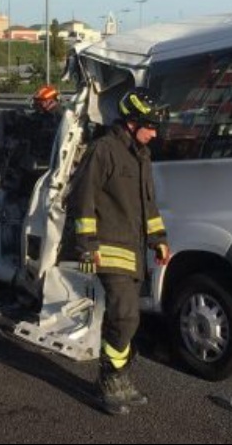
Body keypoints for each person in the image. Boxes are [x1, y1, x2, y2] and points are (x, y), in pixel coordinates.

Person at [69, 87, 170, 415]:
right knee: (125, 315)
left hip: (136, 250)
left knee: (128, 318)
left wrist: (159, 239)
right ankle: (109, 379)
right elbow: (81, 199)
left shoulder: (141, 155)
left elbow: (149, 205)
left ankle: (121, 377)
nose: (155, 133)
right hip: (109, 248)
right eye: (150, 125)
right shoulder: (104, 151)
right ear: (131, 122)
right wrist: (86, 247)